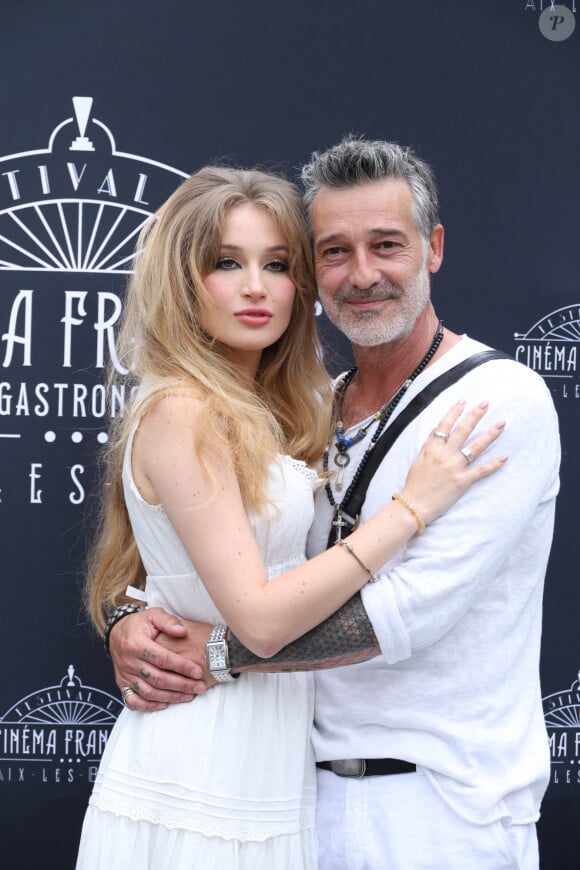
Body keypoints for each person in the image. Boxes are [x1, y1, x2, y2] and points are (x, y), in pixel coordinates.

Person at [107, 138, 560, 870]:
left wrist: (216, 652)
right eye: (335, 253)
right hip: (289, 795)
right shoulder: (310, 411)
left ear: (433, 247)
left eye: (386, 245)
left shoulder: (496, 400)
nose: (363, 275)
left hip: (437, 813)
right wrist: (133, 621)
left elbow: (403, 610)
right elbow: (188, 548)